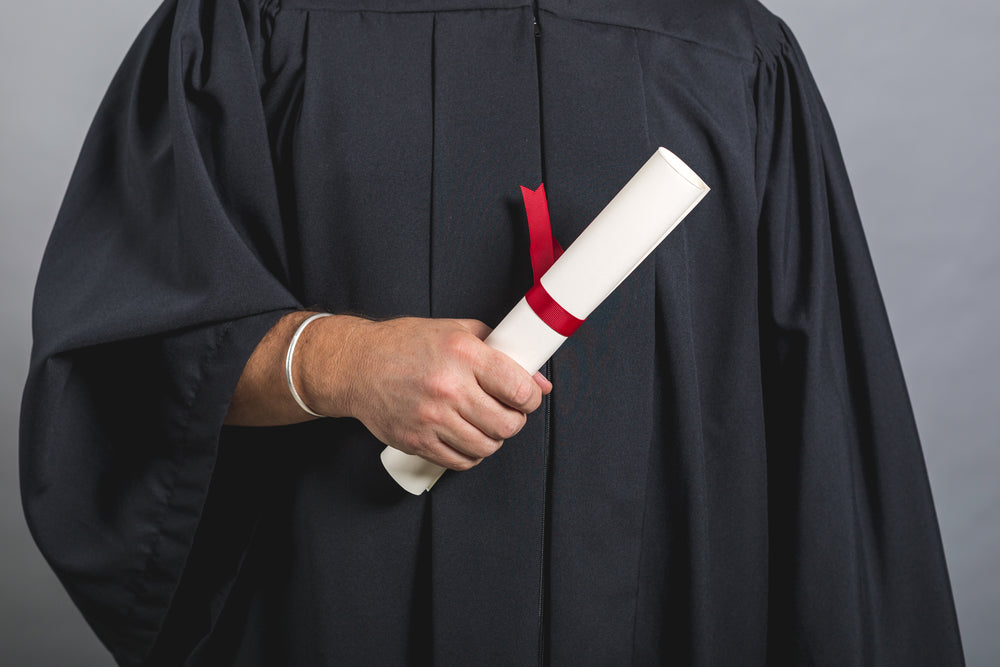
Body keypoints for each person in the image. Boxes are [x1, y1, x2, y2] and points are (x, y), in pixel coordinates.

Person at [21, 0, 965, 664]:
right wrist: (341, 362)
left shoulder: (731, 51)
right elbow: (126, 356)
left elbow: (828, 441)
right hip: (338, 612)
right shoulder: (257, 21)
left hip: (675, 620)